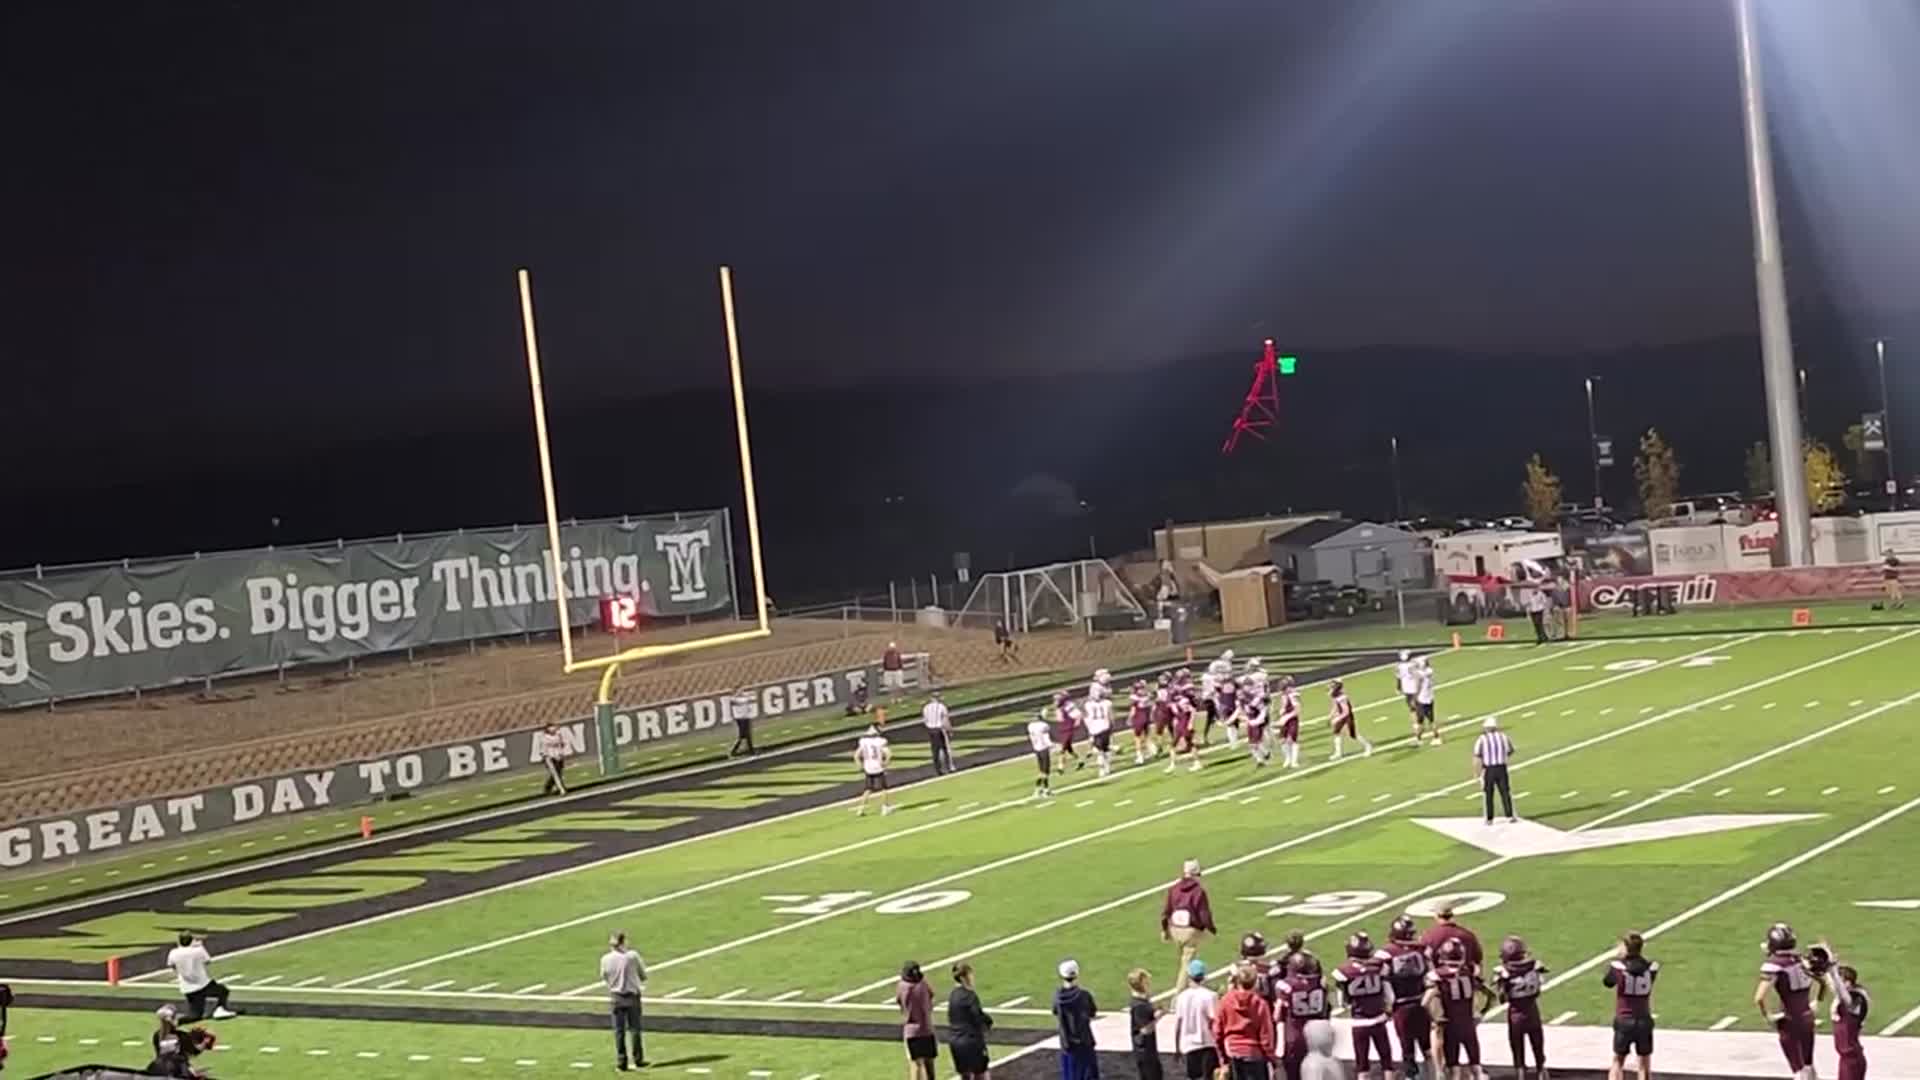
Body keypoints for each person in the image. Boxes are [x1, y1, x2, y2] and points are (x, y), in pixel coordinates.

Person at [1756, 922, 1818, 1080]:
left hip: (1790, 1019)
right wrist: (1816, 1000)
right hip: (1807, 1016)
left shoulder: (1775, 964)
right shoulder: (1802, 960)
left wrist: (1768, 1016)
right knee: (1809, 1066)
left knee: (1798, 1071)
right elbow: (1821, 980)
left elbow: (1759, 997)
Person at [1427, 938, 1492, 1080]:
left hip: (1451, 1027)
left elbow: (1425, 1002)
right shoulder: (1470, 971)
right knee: (1476, 1067)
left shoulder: (1438, 976)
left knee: (1454, 1070)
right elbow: (1490, 994)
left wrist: (1435, 1018)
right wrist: (1481, 1012)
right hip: (1468, 1025)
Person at [1332, 934, 1393, 1080]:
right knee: (1386, 1060)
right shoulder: (1379, 966)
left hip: (1359, 1022)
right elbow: (1390, 995)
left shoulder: (1343, 972)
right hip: (1379, 1019)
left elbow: (1342, 1003)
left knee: (1362, 1063)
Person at [1381, 917, 1433, 1080]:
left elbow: (1384, 981)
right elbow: (1430, 975)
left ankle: (1412, 1077)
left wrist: (1387, 1005)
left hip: (1401, 1006)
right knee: (1427, 1047)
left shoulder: (1386, 954)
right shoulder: (1422, 950)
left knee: (1407, 1049)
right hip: (1421, 1002)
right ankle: (1433, 1075)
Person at [1604, 932, 1658, 1080]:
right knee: (1644, 1064)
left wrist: (1620, 959)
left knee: (1617, 1062)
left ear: (1626, 947)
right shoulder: (1651, 967)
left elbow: (1608, 982)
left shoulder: (1618, 967)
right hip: (1644, 1019)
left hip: (1624, 1019)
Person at [1494, 935, 1548, 1080]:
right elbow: (1538, 988)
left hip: (1516, 1014)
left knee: (1517, 1049)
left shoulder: (1503, 972)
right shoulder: (1535, 966)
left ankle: (1521, 1074)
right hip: (1532, 1011)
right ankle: (1541, 1071)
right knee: (1537, 1045)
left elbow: (1502, 998)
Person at [1213, 963, 1277, 1080]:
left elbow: (1217, 1032)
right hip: (1254, 1055)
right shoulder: (1260, 1004)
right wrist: (1273, 1060)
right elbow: (1266, 1037)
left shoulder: (1226, 1001)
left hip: (1232, 1054)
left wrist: (1222, 1059)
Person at [1818, 942, 1869, 1080]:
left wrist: (1832, 970)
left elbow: (1840, 991)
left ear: (1848, 982)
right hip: (1846, 1059)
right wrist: (1826, 965)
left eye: (1840, 980)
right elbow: (1834, 987)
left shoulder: (1855, 999)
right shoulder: (1846, 997)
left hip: (1852, 1060)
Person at [600, 931, 649, 1071]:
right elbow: (643, 975)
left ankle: (622, 1062)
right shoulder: (632, 956)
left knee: (619, 1031)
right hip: (632, 996)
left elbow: (604, 976)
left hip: (616, 996)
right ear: (622, 942)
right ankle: (638, 1059)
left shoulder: (605, 959)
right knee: (635, 1029)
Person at [1278, 951, 1330, 1080]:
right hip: (1317, 1037)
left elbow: (1277, 1014)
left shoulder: (1286, 986)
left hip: (1295, 1037)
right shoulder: (1321, 984)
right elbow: (1326, 1010)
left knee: (1293, 1075)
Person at [1162, 859, 1217, 976]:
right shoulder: (1198, 891)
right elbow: (1204, 914)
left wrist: (1164, 929)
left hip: (1175, 930)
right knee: (1187, 965)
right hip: (1190, 931)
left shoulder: (1174, 888)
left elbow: (1166, 911)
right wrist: (1211, 929)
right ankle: (1180, 991)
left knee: (1183, 958)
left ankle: (1188, 986)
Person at [167, 933, 237, 1021]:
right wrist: (200, 946)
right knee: (223, 991)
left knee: (195, 1015)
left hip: (187, 987)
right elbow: (207, 961)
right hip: (203, 984)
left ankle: (177, 1020)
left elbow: (172, 966)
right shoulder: (198, 950)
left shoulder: (173, 952)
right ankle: (220, 1010)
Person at [1052, 959, 1100, 1080]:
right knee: (1088, 1073)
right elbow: (1092, 1012)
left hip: (1067, 1042)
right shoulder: (1084, 995)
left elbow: (1055, 1012)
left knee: (1070, 1074)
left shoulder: (1057, 997)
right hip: (1085, 1040)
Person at [1172, 960, 1221, 1080]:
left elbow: (1178, 1024)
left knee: (1193, 1076)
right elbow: (1215, 1021)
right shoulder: (1210, 996)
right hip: (1207, 1043)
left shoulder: (1181, 997)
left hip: (1189, 1044)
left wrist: (1177, 1047)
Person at [947, 962, 993, 1080]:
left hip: (955, 1042)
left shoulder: (952, 995)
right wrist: (988, 1022)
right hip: (971, 1041)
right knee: (981, 1073)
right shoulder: (970, 996)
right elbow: (977, 1016)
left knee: (965, 1075)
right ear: (964, 977)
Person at [895, 960, 938, 1080]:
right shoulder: (923, 984)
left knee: (916, 1064)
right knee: (930, 1064)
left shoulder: (902, 986)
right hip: (927, 1028)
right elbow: (931, 995)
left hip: (911, 1031)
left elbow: (899, 1001)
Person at [1419, 903, 1485, 976]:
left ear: (1436, 916)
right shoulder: (1468, 935)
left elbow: (1422, 963)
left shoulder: (1428, 936)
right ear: (1452, 915)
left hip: (1439, 983)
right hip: (1466, 982)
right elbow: (1478, 962)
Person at [1473, 717, 1516, 824]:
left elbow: (1477, 756)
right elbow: (1510, 750)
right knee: (1505, 792)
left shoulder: (1482, 739)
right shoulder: (1503, 737)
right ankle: (1509, 815)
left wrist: (1476, 772)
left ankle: (1489, 818)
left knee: (1488, 794)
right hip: (1501, 767)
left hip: (1489, 769)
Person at [1128, 968, 1165, 1080]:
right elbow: (1145, 1029)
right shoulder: (1139, 1005)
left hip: (1147, 1049)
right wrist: (1159, 1017)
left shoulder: (1142, 1001)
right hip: (1145, 1050)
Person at [854, 721, 894, 816]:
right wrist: (885, 763)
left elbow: (856, 755)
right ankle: (885, 808)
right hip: (878, 767)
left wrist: (860, 765)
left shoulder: (863, 741)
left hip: (868, 767)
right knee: (884, 788)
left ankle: (860, 809)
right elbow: (888, 754)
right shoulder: (880, 741)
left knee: (868, 789)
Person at [1327, 678, 1371, 761]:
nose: (1331, 687)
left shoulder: (1342, 696)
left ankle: (1367, 746)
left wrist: (1336, 719)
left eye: (1333, 685)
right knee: (1336, 732)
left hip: (1347, 717)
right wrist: (1330, 716)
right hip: (1341, 715)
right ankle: (1338, 753)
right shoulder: (1335, 695)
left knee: (1353, 735)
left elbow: (1346, 711)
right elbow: (1335, 706)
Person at [922, 690, 954, 775]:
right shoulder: (941, 706)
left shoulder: (926, 708)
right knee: (945, 749)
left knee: (935, 750)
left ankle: (938, 769)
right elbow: (945, 720)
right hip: (939, 729)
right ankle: (949, 766)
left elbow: (925, 720)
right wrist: (949, 729)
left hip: (931, 730)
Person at [1027, 709, 1055, 800]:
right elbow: (1046, 738)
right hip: (1043, 749)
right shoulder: (1043, 726)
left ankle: (1039, 789)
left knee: (1042, 771)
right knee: (1045, 772)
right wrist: (1052, 745)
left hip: (1037, 749)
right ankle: (1045, 790)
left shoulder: (1030, 726)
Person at [1275, 675, 1302, 770]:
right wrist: (1281, 713)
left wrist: (1286, 717)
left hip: (1292, 720)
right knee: (1282, 740)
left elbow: (1297, 710)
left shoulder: (1293, 696)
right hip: (1284, 719)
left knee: (1292, 740)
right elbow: (1283, 707)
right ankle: (1288, 758)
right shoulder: (1284, 696)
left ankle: (1294, 761)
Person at [539, 722, 570, 795]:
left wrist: (561, 754)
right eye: (551, 727)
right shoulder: (544, 737)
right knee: (555, 774)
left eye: (553, 726)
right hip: (549, 757)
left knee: (558, 773)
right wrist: (545, 757)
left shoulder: (558, 735)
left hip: (558, 757)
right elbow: (543, 749)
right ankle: (561, 789)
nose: (553, 728)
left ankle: (547, 787)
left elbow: (561, 744)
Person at [1129, 680, 1156, 765]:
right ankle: (1151, 750)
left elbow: (1133, 710)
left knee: (1137, 738)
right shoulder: (1147, 696)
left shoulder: (1134, 698)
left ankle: (1140, 756)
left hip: (1138, 717)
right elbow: (1152, 698)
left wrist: (1129, 718)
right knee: (1147, 735)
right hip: (1146, 717)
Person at [1395, 649, 1421, 739]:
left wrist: (1398, 688)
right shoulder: (1414, 664)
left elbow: (1398, 678)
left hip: (1407, 689)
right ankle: (1418, 725)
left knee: (1412, 709)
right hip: (1415, 688)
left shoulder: (1399, 666)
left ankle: (1416, 725)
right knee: (1418, 707)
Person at [1414, 657, 1440, 746]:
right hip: (1430, 697)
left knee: (1421, 721)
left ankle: (1420, 739)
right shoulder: (1429, 671)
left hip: (1422, 699)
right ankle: (1433, 737)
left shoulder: (1420, 674)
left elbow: (1418, 685)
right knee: (1428, 720)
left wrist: (1415, 696)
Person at [728, 686, 756, 757]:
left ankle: (751, 751)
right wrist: (737, 694)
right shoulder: (734, 699)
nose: (741, 692)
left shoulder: (743, 698)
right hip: (740, 719)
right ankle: (733, 751)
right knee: (742, 735)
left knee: (747, 735)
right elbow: (733, 701)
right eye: (739, 690)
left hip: (746, 717)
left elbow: (752, 697)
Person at [1524, 580, 1551, 644]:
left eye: (1535, 587)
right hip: (1533, 611)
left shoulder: (1541, 594)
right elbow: (1528, 603)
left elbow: (1544, 602)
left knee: (1539, 623)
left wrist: (1545, 610)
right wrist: (1528, 611)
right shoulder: (1530, 594)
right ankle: (1540, 637)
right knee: (1536, 625)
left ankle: (1544, 637)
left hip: (1539, 610)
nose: (1534, 589)